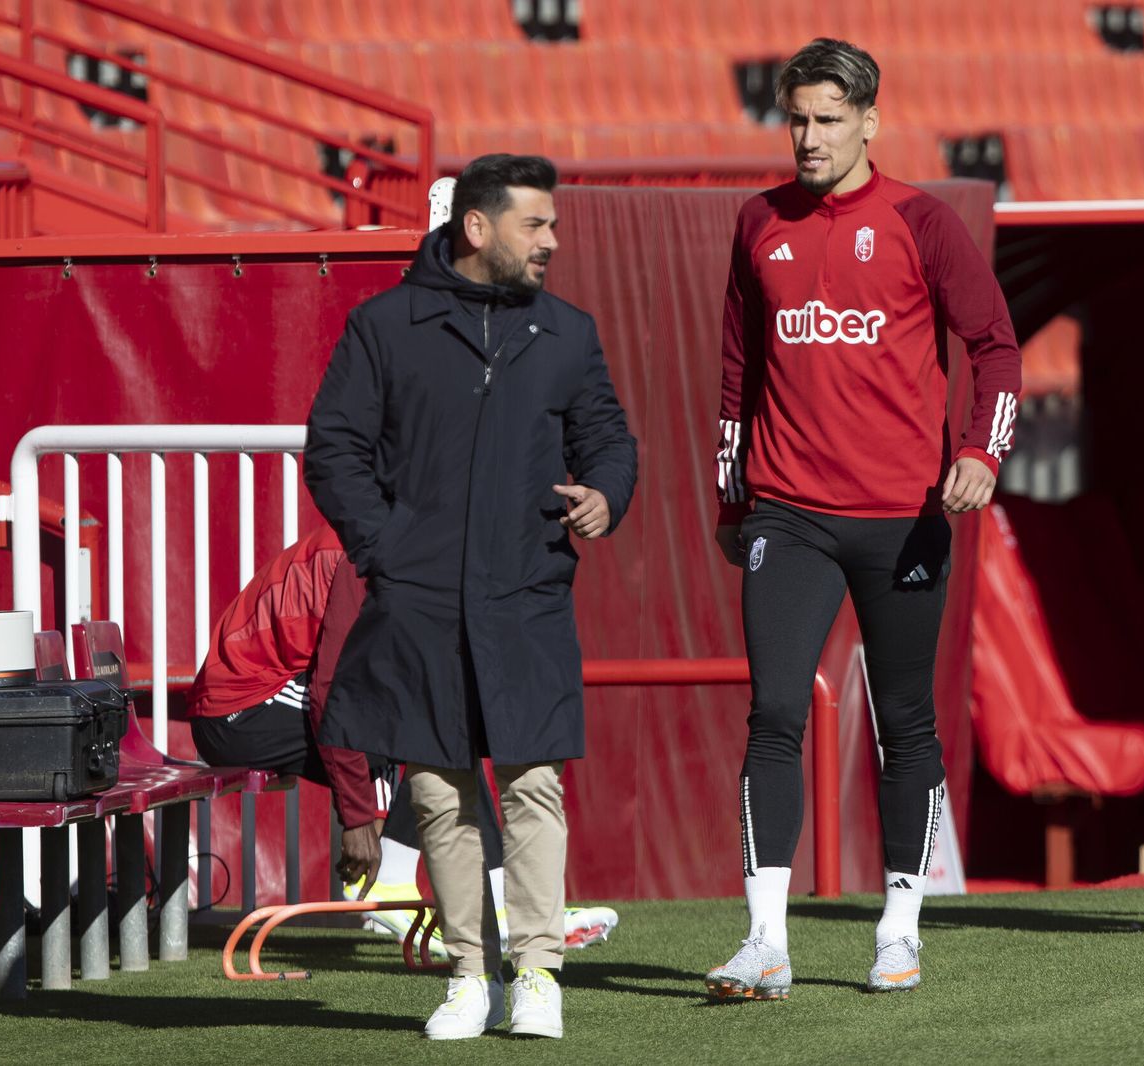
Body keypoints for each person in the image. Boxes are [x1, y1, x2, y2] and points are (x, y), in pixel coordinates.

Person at [707, 38, 1021, 998]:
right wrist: (732, 497)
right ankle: (766, 940)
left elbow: (997, 347)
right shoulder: (757, 221)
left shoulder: (921, 221)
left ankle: (898, 925)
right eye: (797, 119)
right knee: (773, 711)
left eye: (828, 120)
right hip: (788, 512)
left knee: (907, 721)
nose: (808, 137)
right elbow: (736, 373)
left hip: (903, 515)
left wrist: (980, 452)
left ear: (870, 122)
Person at [305, 153, 637, 1040]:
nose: (552, 242)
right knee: (444, 793)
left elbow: (608, 434)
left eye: (553, 225)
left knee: (533, 783)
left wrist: (607, 491)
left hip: (526, 589)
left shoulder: (567, 332)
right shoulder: (384, 326)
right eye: (536, 225)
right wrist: (387, 546)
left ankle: (537, 975)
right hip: (419, 598)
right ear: (477, 228)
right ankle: (467, 976)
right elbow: (332, 447)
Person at [186, 525, 622, 955]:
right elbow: (333, 692)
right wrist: (358, 817)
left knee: (447, 729)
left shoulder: (411, 546)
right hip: (235, 711)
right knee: (412, 725)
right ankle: (477, 899)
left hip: (270, 694)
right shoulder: (370, 551)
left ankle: (428, 886)